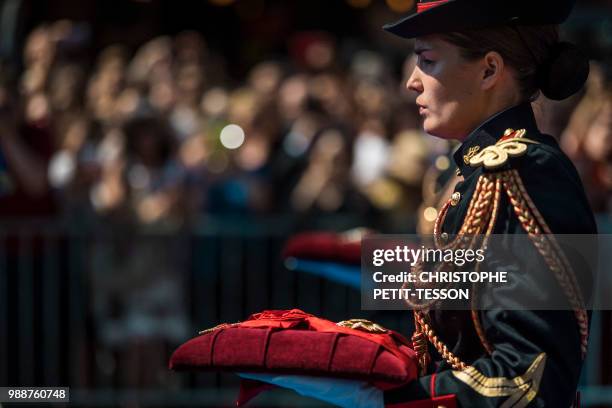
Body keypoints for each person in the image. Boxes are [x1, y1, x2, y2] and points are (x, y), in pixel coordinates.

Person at [380, 0, 596, 407]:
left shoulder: (524, 170)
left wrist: (388, 397)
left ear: (489, 70)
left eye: (427, 60)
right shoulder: (483, 171)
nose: (412, 82)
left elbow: (530, 377)